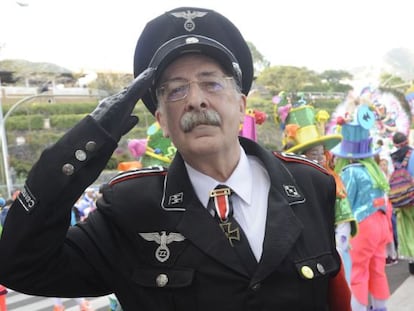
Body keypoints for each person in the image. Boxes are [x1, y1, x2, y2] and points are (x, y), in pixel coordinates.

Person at [0, 7, 350, 310]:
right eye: (176, 89)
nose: (196, 100)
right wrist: (87, 141)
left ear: (241, 104)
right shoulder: (129, 209)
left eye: (211, 83)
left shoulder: (310, 186)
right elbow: (21, 265)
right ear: (162, 120)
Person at [280, 101, 357, 284]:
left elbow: (343, 224)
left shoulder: (331, 183)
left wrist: (335, 249)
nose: (320, 158)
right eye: (313, 154)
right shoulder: (286, 184)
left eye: (321, 153)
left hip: (329, 256)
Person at [332, 104, 391, 311]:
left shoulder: (349, 172)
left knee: (357, 272)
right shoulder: (375, 172)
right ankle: (381, 307)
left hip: (361, 227)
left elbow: (344, 204)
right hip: (380, 224)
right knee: (377, 270)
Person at [390, 131, 414, 274]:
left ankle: (412, 262)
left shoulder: (394, 157)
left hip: (401, 199)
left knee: (406, 230)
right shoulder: (411, 154)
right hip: (412, 196)